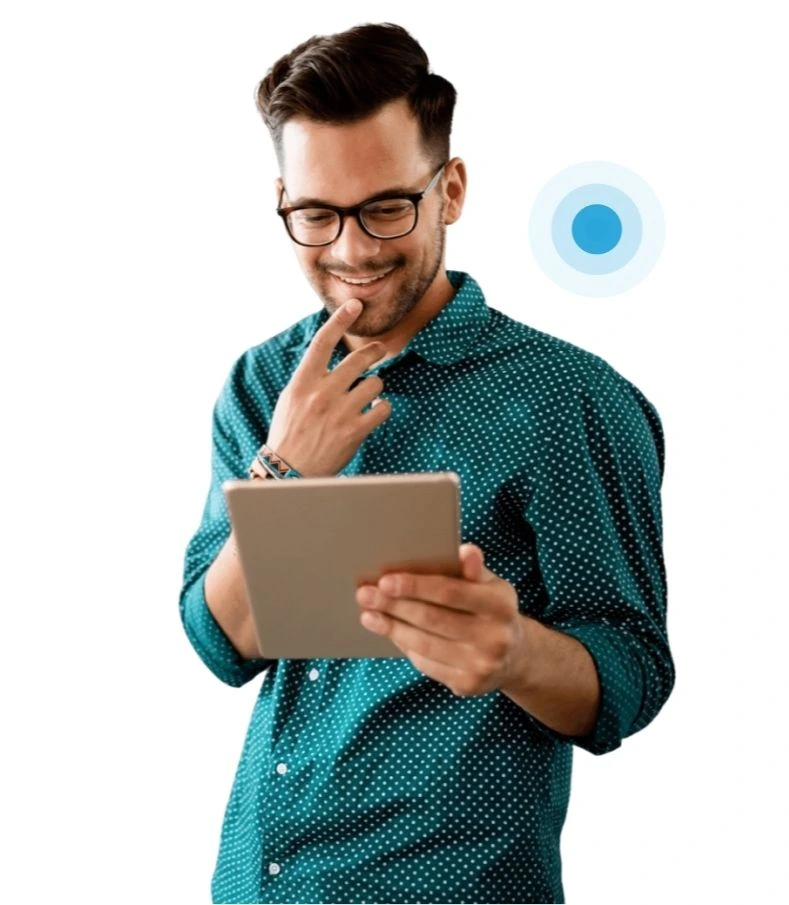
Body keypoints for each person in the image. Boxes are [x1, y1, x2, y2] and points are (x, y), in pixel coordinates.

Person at [178, 21, 675, 905]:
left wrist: (515, 650)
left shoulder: (569, 400)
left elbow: (631, 672)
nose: (352, 251)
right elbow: (224, 641)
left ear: (449, 189)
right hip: (261, 878)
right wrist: (284, 468)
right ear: (283, 201)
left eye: (386, 208)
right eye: (318, 214)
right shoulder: (262, 384)